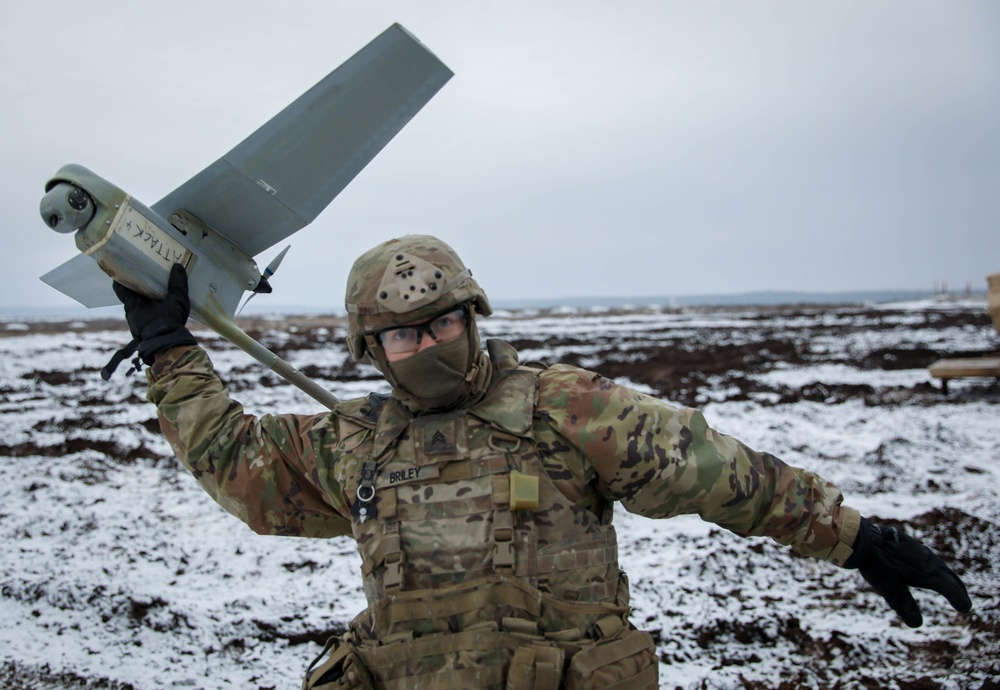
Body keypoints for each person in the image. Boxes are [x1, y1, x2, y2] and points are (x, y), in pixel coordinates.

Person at [114, 235, 972, 689]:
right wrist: (168, 352)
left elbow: (718, 473)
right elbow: (241, 468)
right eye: (404, 334)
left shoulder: (568, 410)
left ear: (473, 317)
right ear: (370, 350)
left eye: (443, 321)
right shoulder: (356, 443)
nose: (428, 343)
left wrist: (856, 538)